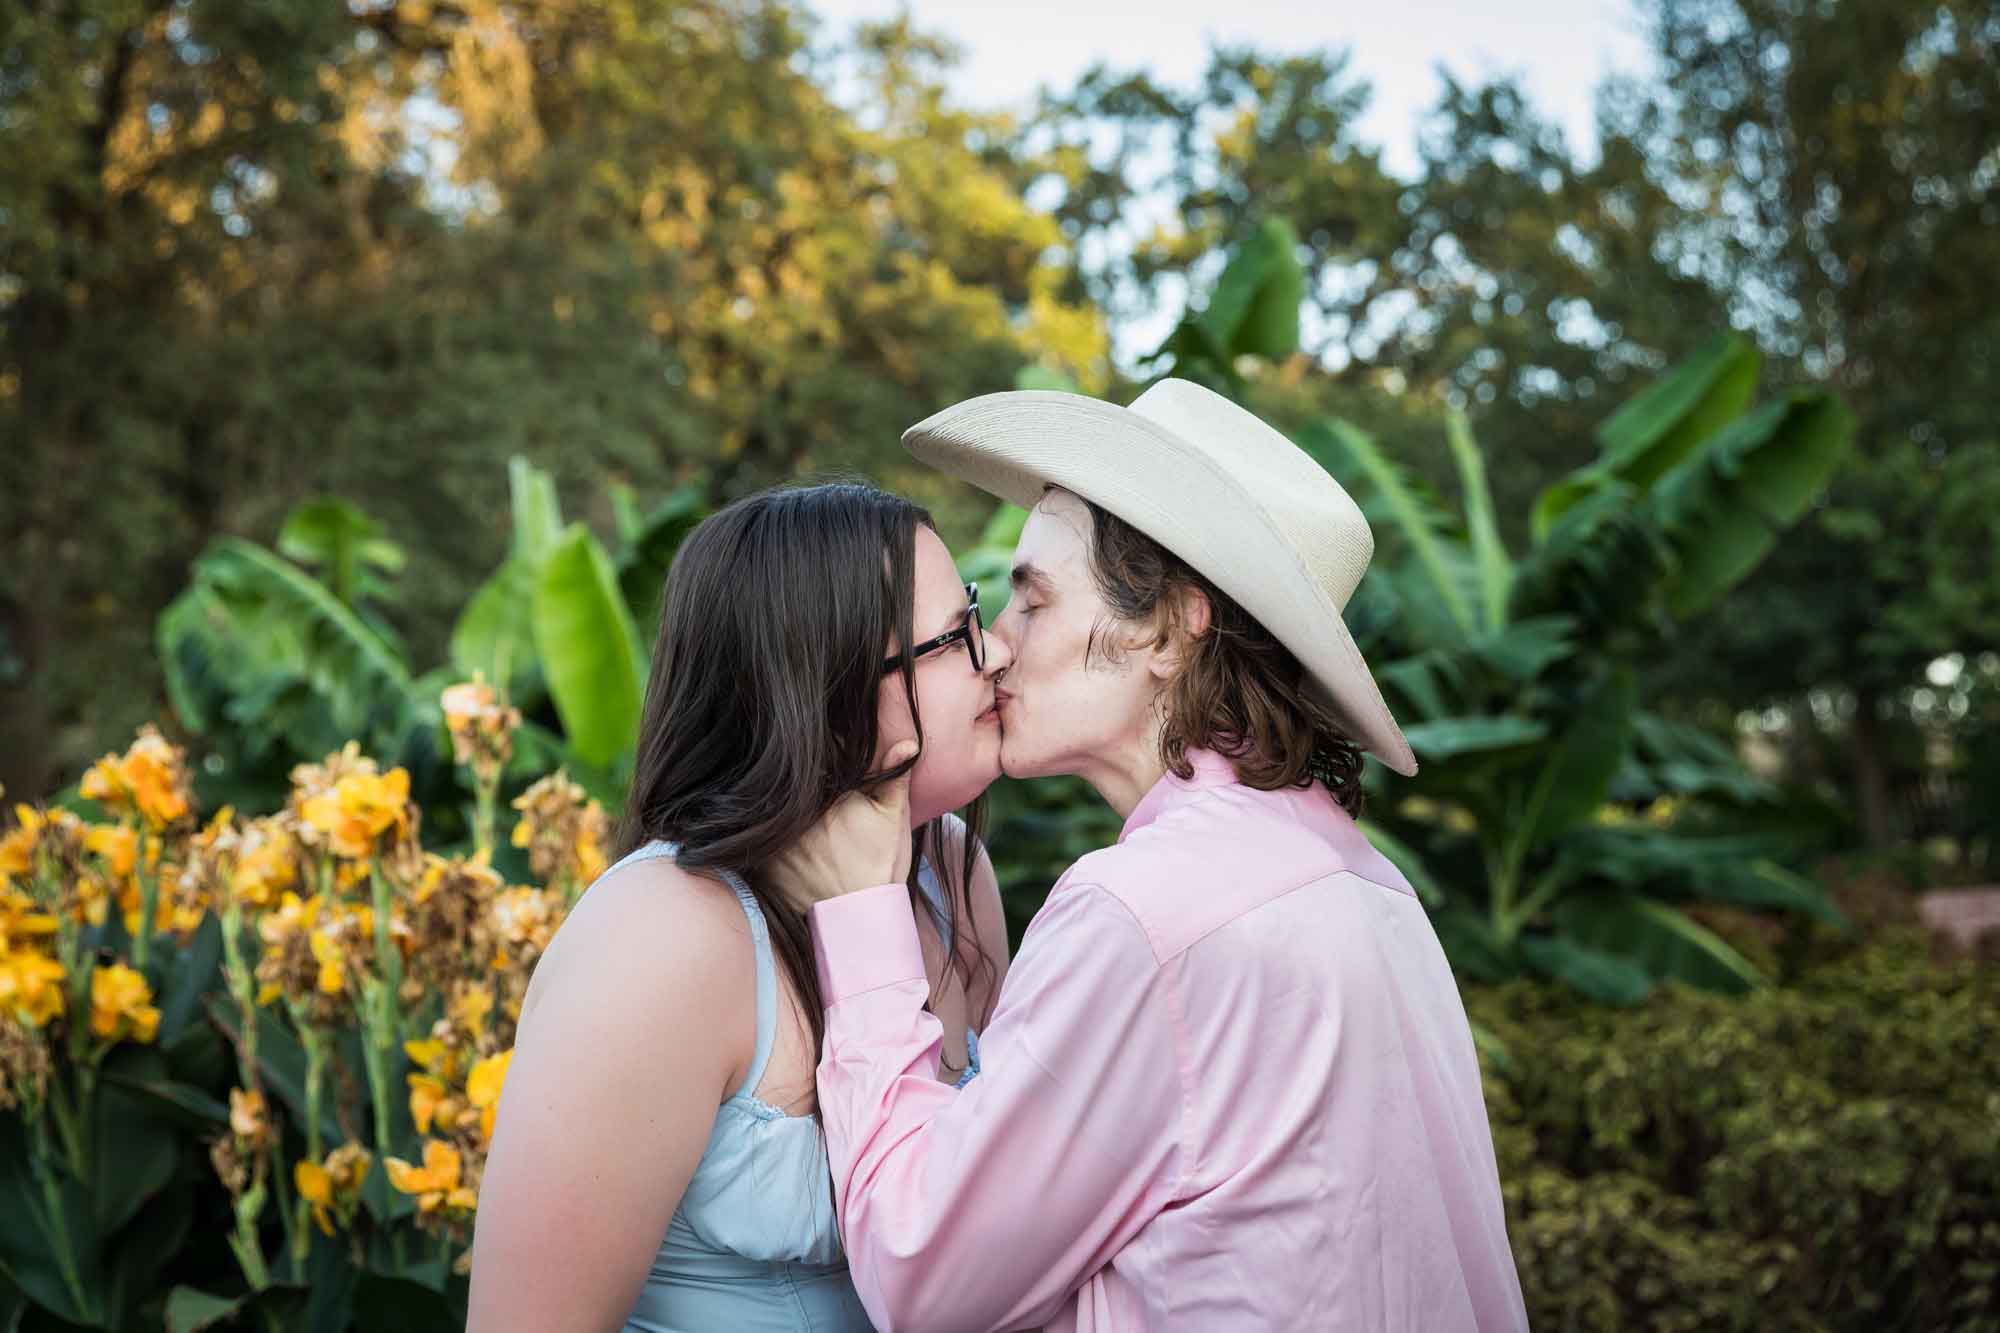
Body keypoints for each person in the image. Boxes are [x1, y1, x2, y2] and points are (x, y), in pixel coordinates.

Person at [774, 380, 1530, 1332]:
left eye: (1033, 600)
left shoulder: (1143, 912)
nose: (997, 649)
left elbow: (923, 1276)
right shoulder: (1377, 888)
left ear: (1169, 630)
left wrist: (861, 926)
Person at [467, 481, 1013, 1332]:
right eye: (955, 636)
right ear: (824, 683)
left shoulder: (953, 874)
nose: (999, 652)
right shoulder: (667, 936)